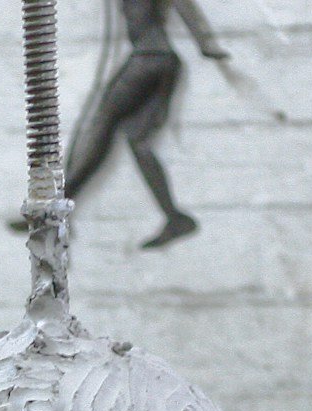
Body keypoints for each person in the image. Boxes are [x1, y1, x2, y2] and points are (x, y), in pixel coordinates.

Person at [61, 0, 229, 248]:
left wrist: (207, 44)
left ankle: (61, 204)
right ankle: (174, 217)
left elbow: (184, 6)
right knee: (139, 141)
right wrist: (206, 45)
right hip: (164, 63)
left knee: (103, 122)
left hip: (147, 59)